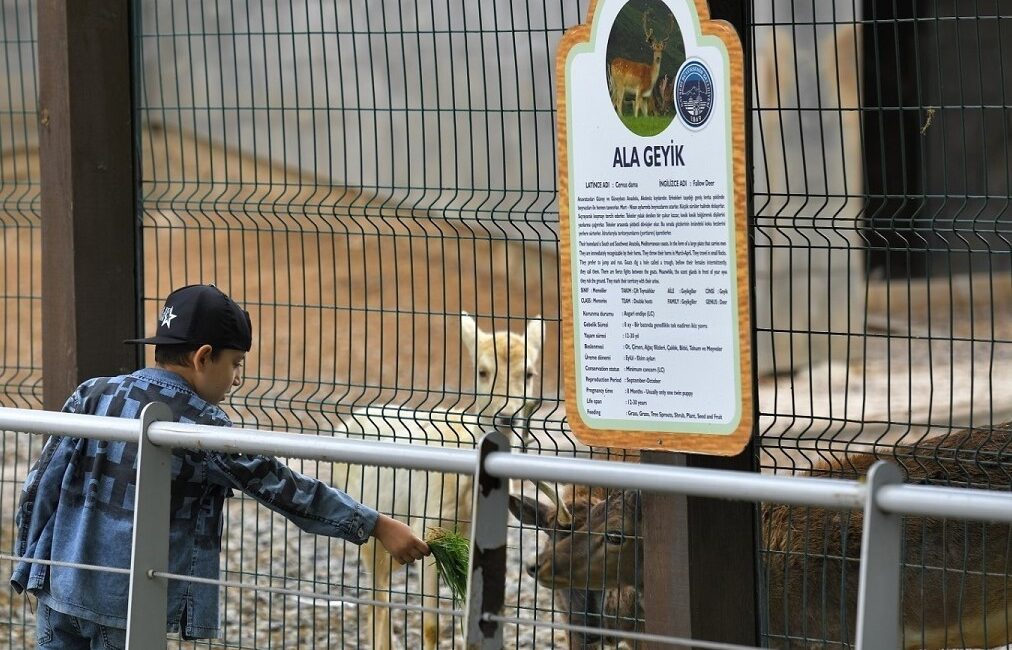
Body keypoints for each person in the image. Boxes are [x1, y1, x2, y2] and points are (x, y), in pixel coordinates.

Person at [10, 283, 429, 646]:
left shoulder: (93, 394)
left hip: (59, 586)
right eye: (235, 364)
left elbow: (40, 484)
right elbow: (283, 487)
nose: (235, 378)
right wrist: (373, 524)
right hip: (128, 606)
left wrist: (28, 564)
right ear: (203, 357)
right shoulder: (202, 425)